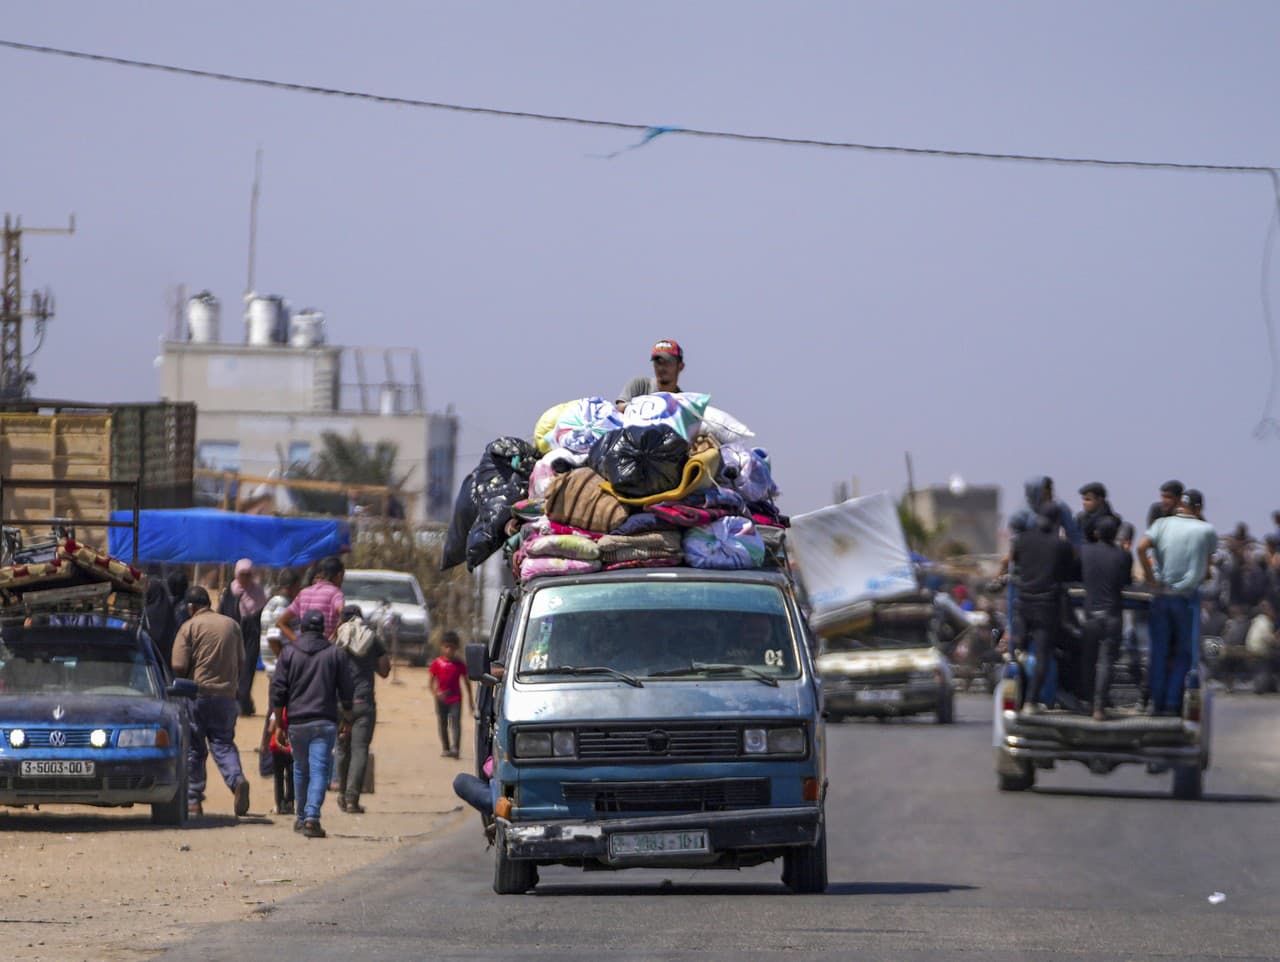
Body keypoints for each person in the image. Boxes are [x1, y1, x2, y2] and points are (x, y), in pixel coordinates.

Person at [270, 609, 355, 838]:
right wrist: (347, 718)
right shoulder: (335, 654)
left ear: (303, 628)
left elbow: (278, 691)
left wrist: (279, 724)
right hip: (325, 720)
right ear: (323, 630)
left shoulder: (288, 653)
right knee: (319, 770)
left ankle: (301, 817)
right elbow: (347, 689)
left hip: (297, 721)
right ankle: (311, 818)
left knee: (300, 769)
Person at [170, 586, 251, 819]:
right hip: (226, 697)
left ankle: (193, 799)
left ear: (191, 607)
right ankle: (237, 781)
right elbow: (242, 661)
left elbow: (178, 664)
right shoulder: (231, 625)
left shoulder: (189, 626)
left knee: (194, 748)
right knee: (223, 743)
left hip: (197, 695)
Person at [1136, 488, 1218, 716]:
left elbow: (1141, 547)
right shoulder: (1206, 530)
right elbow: (1209, 567)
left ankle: (1155, 702)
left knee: (1158, 652)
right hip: (1186, 600)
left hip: (1161, 597)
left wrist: (1152, 580)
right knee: (1184, 654)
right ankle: (1172, 703)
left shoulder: (1161, 524)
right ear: (1199, 509)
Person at [1013, 504, 1076, 712]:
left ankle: (1017, 690)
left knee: (1017, 651)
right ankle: (1031, 702)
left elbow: (1017, 563)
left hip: (1023, 604)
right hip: (1045, 607)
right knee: (1042, 655)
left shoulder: (1021, 540)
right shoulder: (1060, 545)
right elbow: (1069, 572)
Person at [333, 604, 390, 813]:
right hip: (363, 702)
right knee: (359, 749)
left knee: (341, 747)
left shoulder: (337, 639)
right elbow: (384, 670)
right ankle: (351, 799)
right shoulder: (372, 638)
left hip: (340, 703)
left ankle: (341, 794)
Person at [1081, 516, 1132, 719]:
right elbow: (1126, 581)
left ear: (1096, 534)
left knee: (1088, 660)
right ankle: (1099, 707)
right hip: (1112, 616)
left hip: (1091, 616)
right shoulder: (1123, 556)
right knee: (1106, 661)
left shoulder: (1086, 552)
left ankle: (1086, 701)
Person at [220, 558, 268, 716]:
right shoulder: (230, 591)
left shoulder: (258, 592)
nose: (245, 578)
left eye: (248, 574)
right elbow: (222, 613)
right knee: (232, 670)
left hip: (251, 636)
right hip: (232, 634)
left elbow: (263, 614)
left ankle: (244, 703)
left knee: (247, 670)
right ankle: (239, 703)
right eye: (243, 574)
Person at [278, 555, 346, 642]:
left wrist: (298, 642)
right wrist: (332, 638)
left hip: (305, 649)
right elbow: (344, 615)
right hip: (324, 650)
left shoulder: (304, 593)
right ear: (339, 575)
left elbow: (281, 622)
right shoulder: (336, 593)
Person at [429, 631, 473, 758]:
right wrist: (436, 693)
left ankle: (456, 748)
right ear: (442, 647)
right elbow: (431, 683)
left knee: (456, 723)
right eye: (447, 647)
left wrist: (470, 701)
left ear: (456, 648)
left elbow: (467, 683)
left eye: (452, 647)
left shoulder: (459, 664)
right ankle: (446, 748)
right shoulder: (437, 664)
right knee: (443, 723)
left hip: (456, 699)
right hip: (441, 699)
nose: (449, 650)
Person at [615, 338, 685, 410]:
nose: (661, 367)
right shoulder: (639, 385)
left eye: (668, 362)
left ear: (681, 366)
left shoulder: (683, 402)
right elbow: (618, 410)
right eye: (658, 362)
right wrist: (640, 406)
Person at [1023, 475, 1081, 549]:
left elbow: (1073, 534)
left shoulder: (1060, 507)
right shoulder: (1028, 511)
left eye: (1050, 489)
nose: (1050, 492)